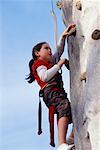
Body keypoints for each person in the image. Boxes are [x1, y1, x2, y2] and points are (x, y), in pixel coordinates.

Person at [26, 24, 75, 150]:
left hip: (56, 92)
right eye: (46, 48)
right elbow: (44, 77)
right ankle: (62, 144)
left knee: (72, 110)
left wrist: (63, 37)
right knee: (64, 106)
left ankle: (71, 137)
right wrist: (59, 64)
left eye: (49, 48)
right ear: (37, 53)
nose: (49, 50)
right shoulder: (39, 64)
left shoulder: (49, 62)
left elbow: (59, 51)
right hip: (50, 92)